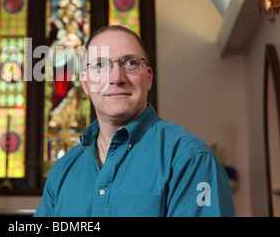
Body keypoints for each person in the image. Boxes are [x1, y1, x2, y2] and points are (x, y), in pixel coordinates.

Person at [34, 25, 235, 217]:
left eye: (130, 63)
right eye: (100, 65)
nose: (116, 77)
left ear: (148, 78)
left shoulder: (189, 158)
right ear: (85, 84)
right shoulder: (62, 171)